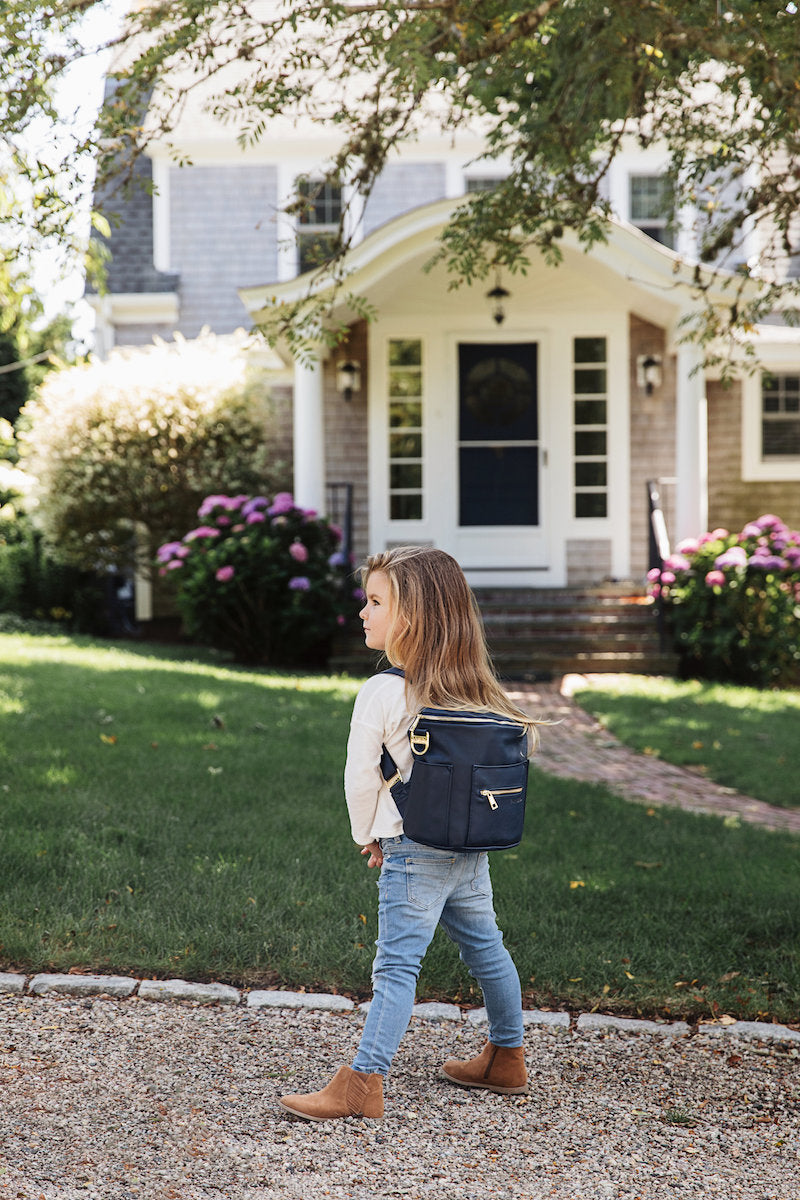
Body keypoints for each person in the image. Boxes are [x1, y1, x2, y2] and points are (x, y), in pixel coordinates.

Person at [278, 546, 539, 1122]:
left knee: (396, 968)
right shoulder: (474, 689)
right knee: (487, 949)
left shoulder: (382, 692)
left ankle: (362, 1083)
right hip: (468, 848)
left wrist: (365, 835)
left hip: (414, 851)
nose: (362, 613)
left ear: (413, 617)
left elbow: (358, 776)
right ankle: (507, 1055)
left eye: (375, 602)